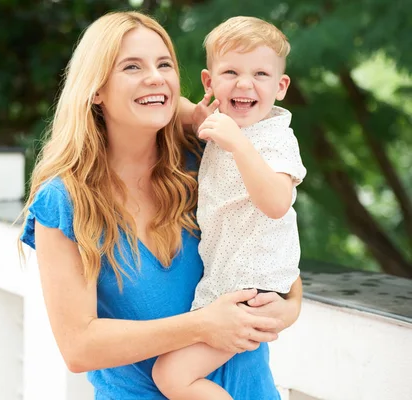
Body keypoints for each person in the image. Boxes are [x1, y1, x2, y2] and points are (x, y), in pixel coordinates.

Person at [19, 11, 303, 400]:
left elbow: (271, 250)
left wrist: (288, 309)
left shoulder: (206, 160)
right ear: (96, 88)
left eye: (164, 64)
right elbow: (79, 347)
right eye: (132, 66)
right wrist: (204, 325)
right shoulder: (66, 201)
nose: (155, 76)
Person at [152, 16, 307, 400]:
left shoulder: (275, 139)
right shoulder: (223, 124)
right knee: (175, 372)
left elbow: (275, 203)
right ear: (209, 82)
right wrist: (194, 115)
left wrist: (238, 144)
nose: (244, 83)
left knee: (172, 376)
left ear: (280, 86)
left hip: (252, 291)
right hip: (227, 282)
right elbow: (169, 105)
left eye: (260, 73)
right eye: (230, 72)